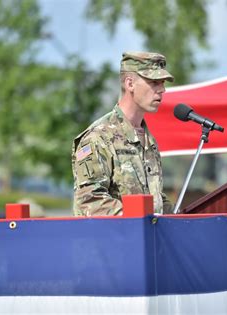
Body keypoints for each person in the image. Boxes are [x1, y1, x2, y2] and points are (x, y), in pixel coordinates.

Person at [71, 51, 174, 216]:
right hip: (114, 240)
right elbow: (89, 201)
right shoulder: (98, 138)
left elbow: (154, 199)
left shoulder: (148, 141)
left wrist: (178, 216)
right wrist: (138, 219)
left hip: (147, 240)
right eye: (154, 82)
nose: (162, 90)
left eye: (162, 83)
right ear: (130, 83)